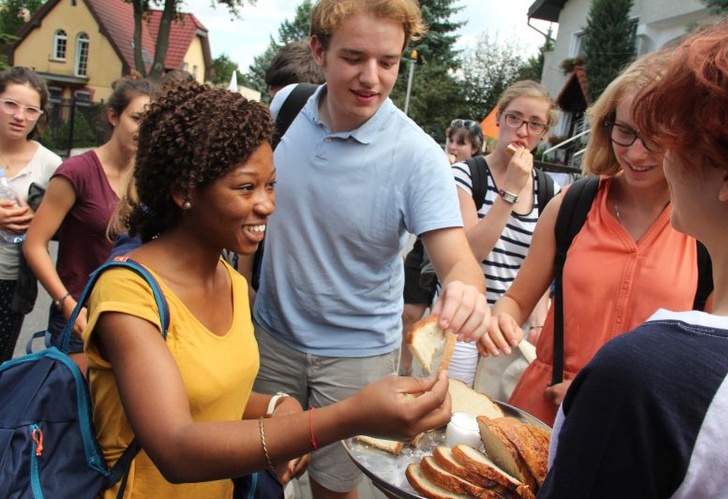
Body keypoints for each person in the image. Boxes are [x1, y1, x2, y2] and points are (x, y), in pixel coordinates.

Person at [82, 80, 451, 498]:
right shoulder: (129, 295)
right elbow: (176, 447)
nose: (267, 205)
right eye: (246, 188)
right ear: (184, 192)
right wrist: (351, 416)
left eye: (271, 184)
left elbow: (214, 399)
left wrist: (277, 406)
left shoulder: (233, 283)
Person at [250, 1, 496, 497]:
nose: (371, 78)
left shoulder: (419, 156)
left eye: (388, 62)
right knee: (252, 476)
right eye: (354, 58)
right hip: (270, 339)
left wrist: (466, 290)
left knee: (334, 488)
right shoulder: (286, 109)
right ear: (319, 51)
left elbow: (457, 260)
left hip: (358, 360)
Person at [538, 15, 728, 497]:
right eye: (627, 132)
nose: (652, 155)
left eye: (677, 136)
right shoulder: (575, 205)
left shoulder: (643, 378)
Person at [490, 50, 706, 427]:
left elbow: (711, 359)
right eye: (625, 131)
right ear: (607, 125)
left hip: (642, 427)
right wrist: (501, 322)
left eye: (656, 137)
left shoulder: (706, 228)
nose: (636, 153)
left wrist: (602, 389)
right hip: (544, 417)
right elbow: (516, 300)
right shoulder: (573, 205)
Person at [23, 76, 158, 371]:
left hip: (129, 313)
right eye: (136, 118)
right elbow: (34, 244)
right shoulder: (77, 171)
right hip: (79, 316)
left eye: (151, 121)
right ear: (113, 116)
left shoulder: (149, 178)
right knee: (73, 410)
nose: (143, 129)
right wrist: (67, 304)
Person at [449, 81, 559, 386]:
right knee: (445, 416)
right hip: (461, 322)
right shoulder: (466, 175)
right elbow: (467, 254)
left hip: (508, 330)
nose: (523, 131)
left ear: (545, 132)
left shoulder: (549, 191)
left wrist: (537, 325)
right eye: (514, 118)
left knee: (492, 419)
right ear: (498, 118)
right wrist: (510, 190)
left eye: (535, 124)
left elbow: (539, 267)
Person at [399, 118, 484, 376]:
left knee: (442, 317)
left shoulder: (471, 176)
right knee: (409, 312)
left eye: (462, 143)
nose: (454, 147)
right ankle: (404, 365)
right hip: (424, 250)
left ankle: (430, 365)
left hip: (452, 252)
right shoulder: (437, 164)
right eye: (451, 140)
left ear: (475, 149)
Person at [0, 67, 62, 362]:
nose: (19, 116)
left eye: (30, 109)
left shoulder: (50, 164)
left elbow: (60, 225)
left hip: (11, 283)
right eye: (10, 104)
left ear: (40, 116)